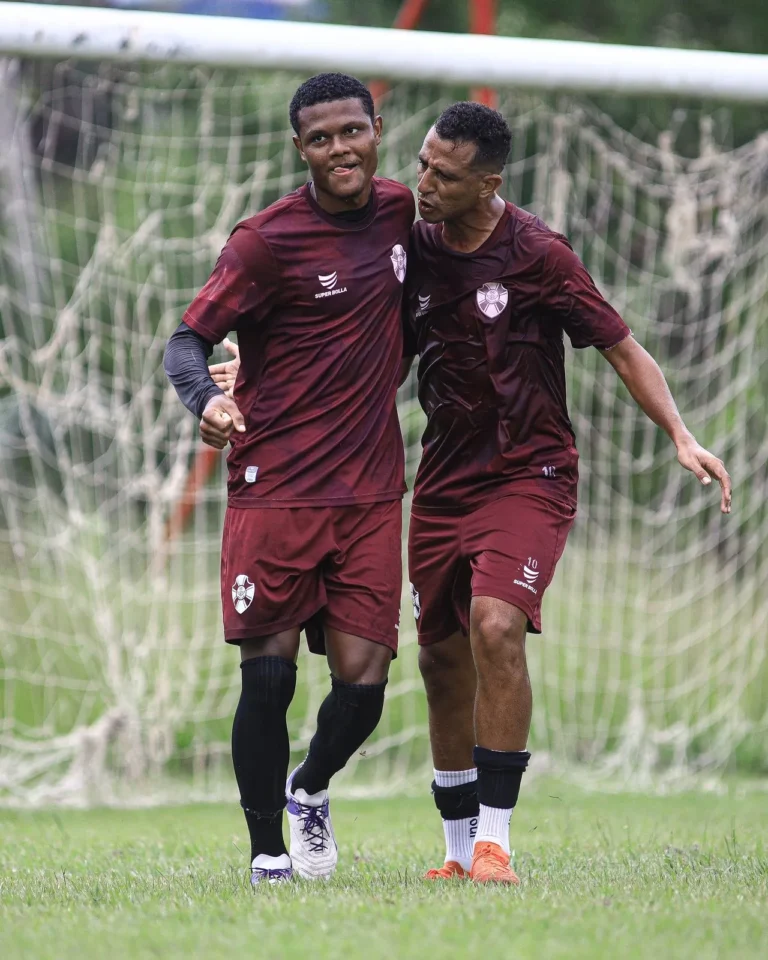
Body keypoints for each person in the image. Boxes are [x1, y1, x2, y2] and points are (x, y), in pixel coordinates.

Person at [404, 102, 732, 884]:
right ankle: (453, 856)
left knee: (495, 627)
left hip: (529, 473)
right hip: (443, 479)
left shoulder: (539, 253)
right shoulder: (410, 243)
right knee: (440, 659)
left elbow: (622, 350)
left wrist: (681, 435)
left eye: (442, 176)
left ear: (488, 184)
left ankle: (495, 843)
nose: (423, 183)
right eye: (420, 164)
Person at [163, 73, 415, 885]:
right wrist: (207, 401)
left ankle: (310, 788)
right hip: (276, 487)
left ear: (376, 128)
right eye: (321, 138)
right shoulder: (264, 241)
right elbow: (185, 341)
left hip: (373, 489)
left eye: (353, 131)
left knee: (365, 681)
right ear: (298, 148)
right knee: (267, 674)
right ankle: (267, 852)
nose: (340, 148)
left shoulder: (407, 212)